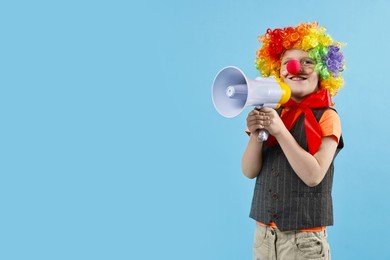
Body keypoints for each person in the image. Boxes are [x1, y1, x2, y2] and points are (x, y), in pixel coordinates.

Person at [241, 22, 345, 259]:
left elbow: (313, 175)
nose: (296, 67)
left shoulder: (328, 116)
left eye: (307, 62)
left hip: (304, 242)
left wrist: (280, 131)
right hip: (264, 237)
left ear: (324, 71)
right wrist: (257, 134)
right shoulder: (273, 113)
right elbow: (248, 170)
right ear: (278, 73)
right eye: (287, 63)